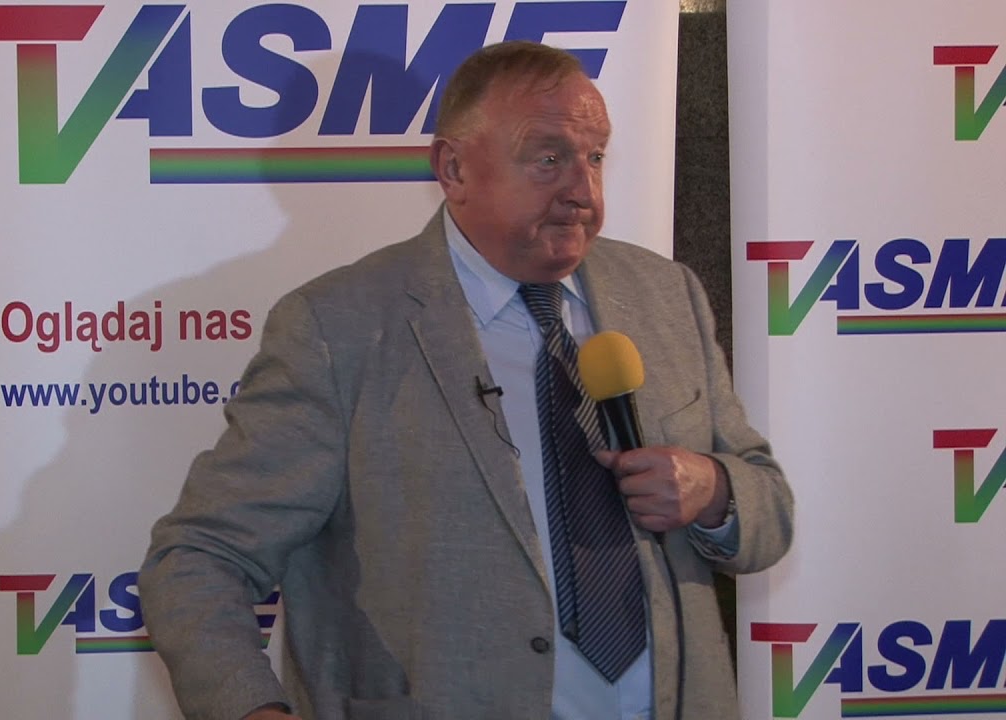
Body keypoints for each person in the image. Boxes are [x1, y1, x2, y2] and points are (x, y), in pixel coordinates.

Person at [138, 40, 793, 720]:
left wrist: (713, 490)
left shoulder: (666, 294)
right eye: (548, 158)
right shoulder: (337, 328)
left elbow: (769, 506)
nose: (583, 191)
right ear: (453, 168)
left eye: (595, 157)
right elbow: (199, 557)